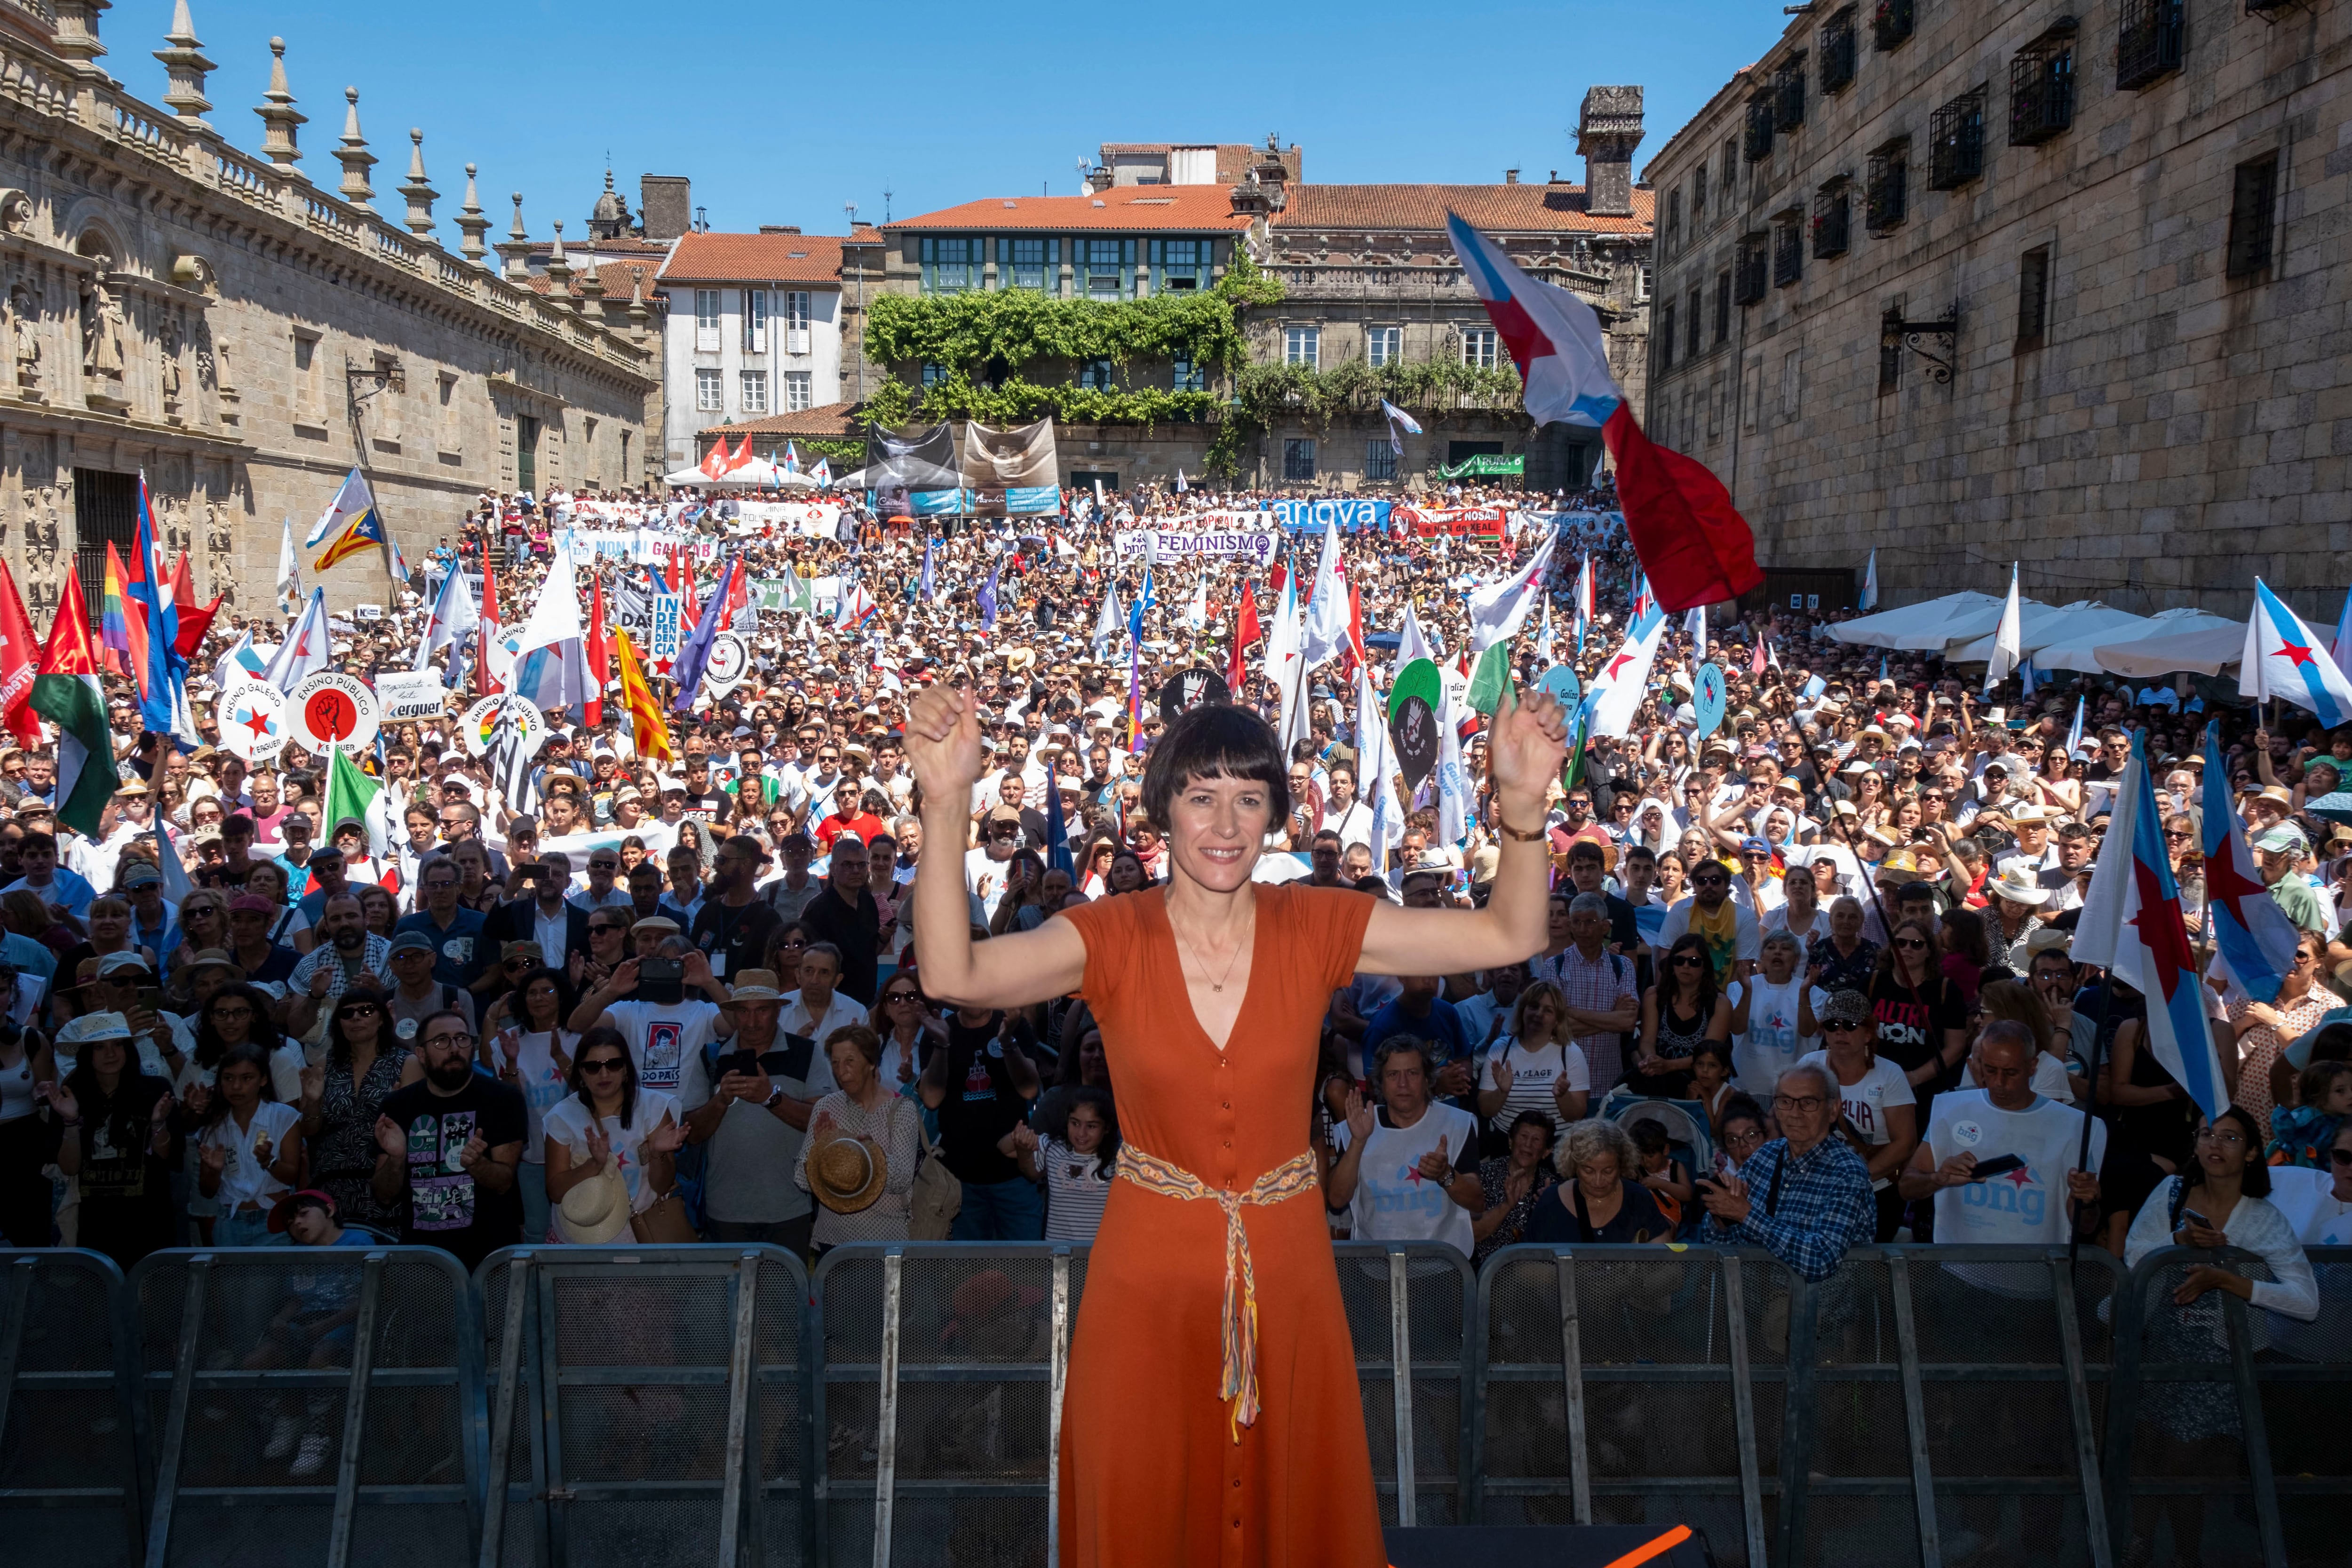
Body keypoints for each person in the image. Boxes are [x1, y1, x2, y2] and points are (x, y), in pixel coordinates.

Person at [902, 681, 1567, 1565]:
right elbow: (952, 973)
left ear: (1276, 817)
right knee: (1144, 1503)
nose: (1226, 820)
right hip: (1146, 1276)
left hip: (1286, 1268)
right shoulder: (1110, 934)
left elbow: (1509, 933)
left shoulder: (1317, 923)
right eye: (1201, 794)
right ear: (1163, 810)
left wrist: (1522, 806)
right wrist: (946, 805)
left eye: (1250, 798)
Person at [2119, 1105, 2319, 1566]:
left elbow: (2305, 1301)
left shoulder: (2261, 1218)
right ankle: (2139, 1544)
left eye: (2229, 1138)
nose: (2214, 1144)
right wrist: (2177, 1242)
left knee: (2179, 1464)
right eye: (2207, 1134)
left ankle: (2187, 1556)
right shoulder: (2171, 1191)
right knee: (2145, 1453)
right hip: (2155, 1344)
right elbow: (2131, 1256)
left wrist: (2229, 1280)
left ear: (2251, 1153)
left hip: (2220, 1359)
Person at [1899, 1022, 2103, 1291]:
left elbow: (2086, 1226)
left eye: (2011, 1073)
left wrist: (2088, 1201)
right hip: (1959, 1276)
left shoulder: (2074, 1126)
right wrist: (1939, 1178)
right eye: (1990, 1070)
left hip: (2034, 1285)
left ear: (2033, 1066)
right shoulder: (1951, 1109)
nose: (1999, 1083)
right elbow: (1907, 1187)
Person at [685, 971, 836, 1254]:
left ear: (778, 1010)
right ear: (733, 1013)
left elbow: (821, 1123)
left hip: (789, 1208)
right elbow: (692, 1134)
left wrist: (770, 1098)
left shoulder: (806, 1052)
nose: (752, 1022)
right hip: (726, 1210)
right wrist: (720, 1101)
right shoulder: (712, 1057)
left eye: (762, 1011)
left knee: (784, 1297)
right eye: (743, 1011)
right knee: (731, 1298)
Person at [370, 1009, 525, 1269]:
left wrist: (478, 1165)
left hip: (490, 1255)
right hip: (422, 1257)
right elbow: (383, 1196)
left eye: (462, 1039)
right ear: (421, 1054)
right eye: (442, 1041)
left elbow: (504, 1183)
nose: (455, 1048)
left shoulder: (504, 1099)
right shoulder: (397, 1105)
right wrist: (398, 1159)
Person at [1698, 1061, 1877, 1281]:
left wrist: (1745, 1214)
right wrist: (1723, 1215)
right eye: (1785, 1102)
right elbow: (1716, 1239)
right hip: (1753, 1301)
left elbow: (1821, 1260)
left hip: (1818, 1310)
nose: (1795, 1113)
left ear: (1833, 1110)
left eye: (1808, 1103)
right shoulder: (1765, 1156)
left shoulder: (1847, 1172)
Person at [1327, 1037, 1485, 1253]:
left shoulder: (1458, 1124)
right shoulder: (1357, 1126)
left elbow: (1477, 1203)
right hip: (1376, 1266)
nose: (1403, 1084)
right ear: (1380, 1082)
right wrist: (1358, 1142)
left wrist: (1446, 1174)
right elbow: (1337, 1200)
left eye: (1412, 1073)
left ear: (1427, 1079)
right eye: (1393, 1075)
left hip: (1444, 1266)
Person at [45, 1011, 175, 1269]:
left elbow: (167, 1156)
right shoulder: (70, 1097)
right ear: (86, 1054)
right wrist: (70, 1121)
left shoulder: (156, 1089)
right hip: (93, 1221)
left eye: (118, 1045)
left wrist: (158, 1123)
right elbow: (69, 1169)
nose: (111, 1054)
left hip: (148, 1218)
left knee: (147, 1302)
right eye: (99, 1047)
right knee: (97, 1302)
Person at [293, 989, 421, 1238]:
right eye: (347, 1013)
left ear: (382, 1018)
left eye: (365, 1011)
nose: (356, 1018)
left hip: (385, 1182)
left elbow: (416, 1130)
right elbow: (309, 1131)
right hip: (331, 1184)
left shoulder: (408, 1063)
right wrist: (312, 1102)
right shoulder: (323, 1065)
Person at [542, 1025, 688, 1242]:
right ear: (581, 1072)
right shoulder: (562, 1117)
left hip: (641, 1233)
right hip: (581, 1238)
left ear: (626, 1069)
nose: (604, 1074)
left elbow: (662, 1186)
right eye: (593, 1067)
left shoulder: (655, 1108)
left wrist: (657, 1154)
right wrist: (594, 1164)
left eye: (614, 1064)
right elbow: (555, 1192)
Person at [919, 1002, 1045, 1239]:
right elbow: (931, 1099)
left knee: (1026, 1270)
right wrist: (942, 1044)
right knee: (970, 1274)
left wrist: (1008, 1043)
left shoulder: (1012, 1025)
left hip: (1013, 1178)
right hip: (960, 1180)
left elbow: (1029, 1090)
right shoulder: (939, 1030)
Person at [792, 1023, 922, 1251]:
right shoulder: (826, 1106)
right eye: (835, 1063)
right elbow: (802, 1181)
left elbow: (901, 1182)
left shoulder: (901, 1109)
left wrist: (873, 1154)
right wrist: (821, 1151)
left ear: (871, 1063)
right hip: (832, 1242)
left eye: (850, 1061)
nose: (842, 1071)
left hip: (887, 1242)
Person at [483, 964, 580, 1245]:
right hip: (531, 1155)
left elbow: (586, 1094)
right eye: (531, 993)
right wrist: (511, 1063)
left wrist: (561, 1057)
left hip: (577, 1154)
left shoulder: (579, 1038)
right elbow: (510, 1101)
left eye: (547, 991)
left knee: (577, 1229)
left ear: (561, 995)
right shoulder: (510, 1039)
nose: (538, 998)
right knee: (537, 1231)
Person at [196, 1041, 302, 1246]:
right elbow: (207, 1191)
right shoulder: (215, 1125)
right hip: (230, 1221)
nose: (236, 1087)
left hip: (272, 1220)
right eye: (228, 1078)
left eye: (247, 1079)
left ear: (263, 1080)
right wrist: (214, 1171)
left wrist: (268, 1161)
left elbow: (291, 1176)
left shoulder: (283, 1117)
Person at [1522, 1116, 1673, 1243]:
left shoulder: (1638, 1198)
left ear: (1622, 1165)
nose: (1599, 1181)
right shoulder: (1552, 1200)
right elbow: (1526, 1266)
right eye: (1588, 1171)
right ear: (1574, 1165)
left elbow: (1666, 1265)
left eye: (1608, 1171)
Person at [1475, 979, 1591, 1143]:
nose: (1538, 1014)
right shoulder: (1500, 1048)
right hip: (1507, 1144)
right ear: (1522, 1011)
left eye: (1548, 1011)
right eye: (1533, 1007)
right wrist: (1502, 1092)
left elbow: (1577, 1115)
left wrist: (1562, 1096)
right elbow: (1486, 1111)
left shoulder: (1571, 1052)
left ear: (1557, 1020)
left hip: (1556, 1147)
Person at [1008, 1085, 1118, 1243]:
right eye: (1075, 1123)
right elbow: (1004, 1149)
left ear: (1107, 1128)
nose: (1081, 1133)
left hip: (1102, 1256)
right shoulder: (1053, 1148)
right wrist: (1020, 1138)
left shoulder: (1120, 1158)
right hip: (1059, 1257)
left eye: (1092, 1126)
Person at [1632, 933, 1729, 1098]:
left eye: (1694, 962)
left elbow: (1710, 1054)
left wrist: (1668, 1066)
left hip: (1702, 1088)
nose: (1685, 966)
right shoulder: (1653, 995)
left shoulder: (1720, 1003)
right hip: (1658, 1082)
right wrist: (1652, 1060)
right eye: (1679, 960)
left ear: (1705, 967)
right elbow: (1647, 1040)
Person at [1728, 929, 1816, 1098]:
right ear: (1762, 957)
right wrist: (1748, 990)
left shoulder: (1813, 992)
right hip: (1745, 1089)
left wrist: (1804, 993)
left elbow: (1807, 1032)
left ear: (1796, 960)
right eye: (1771, 947)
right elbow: (1737, 1029)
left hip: (1791, 1093)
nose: (1778, 952)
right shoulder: (1739, 987)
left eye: (1785, 948)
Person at [1470, 1111, 1555, 1263]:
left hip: (1534, 1274)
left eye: (1536, 1140)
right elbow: (1473, 1234)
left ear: (1546, 1151)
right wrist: (1507, 1205)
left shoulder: (1552, 1188)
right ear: (1510, 1141)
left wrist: (1548, 1209)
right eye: (1523, 1136)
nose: (1528, 1145)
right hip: (1487, 1272)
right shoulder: (1483, 1176)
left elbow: (1560, 1241)